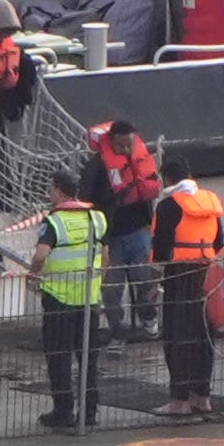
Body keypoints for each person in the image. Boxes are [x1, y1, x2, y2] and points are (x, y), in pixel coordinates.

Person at [28, 168, 105, 430]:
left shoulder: (54, 222)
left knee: (59, 357)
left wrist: (33, 276)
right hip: (89, 299)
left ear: (59, 190)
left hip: (58, 299)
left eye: (51, 188)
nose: (49, 193)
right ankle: (90, 412)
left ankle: (63, 412)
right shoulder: (96, 217)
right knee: (88, 359)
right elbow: (105, 255)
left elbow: (40, 255)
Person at [150, 158, 223, 416]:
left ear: (167, 179)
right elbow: (220, 240)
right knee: (204, 333)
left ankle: (179, 400)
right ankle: (202, 397)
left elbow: (160, 248)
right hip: (209, 272)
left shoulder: (169, 205)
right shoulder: (211, 200)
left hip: (179, 275)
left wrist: (154, 278)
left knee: (177, 336)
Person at [81, 119, 161, 344]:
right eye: (121, 146)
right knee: (111, 291)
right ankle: (118, 330)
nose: (126, 150)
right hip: (111, 238)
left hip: (139, 231)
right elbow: (88, 203)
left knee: (144, 281)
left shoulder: (140, 161)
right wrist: (101, 239)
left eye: (129, 145)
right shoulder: (96, 167)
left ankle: (149, 321)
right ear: (110, 142)